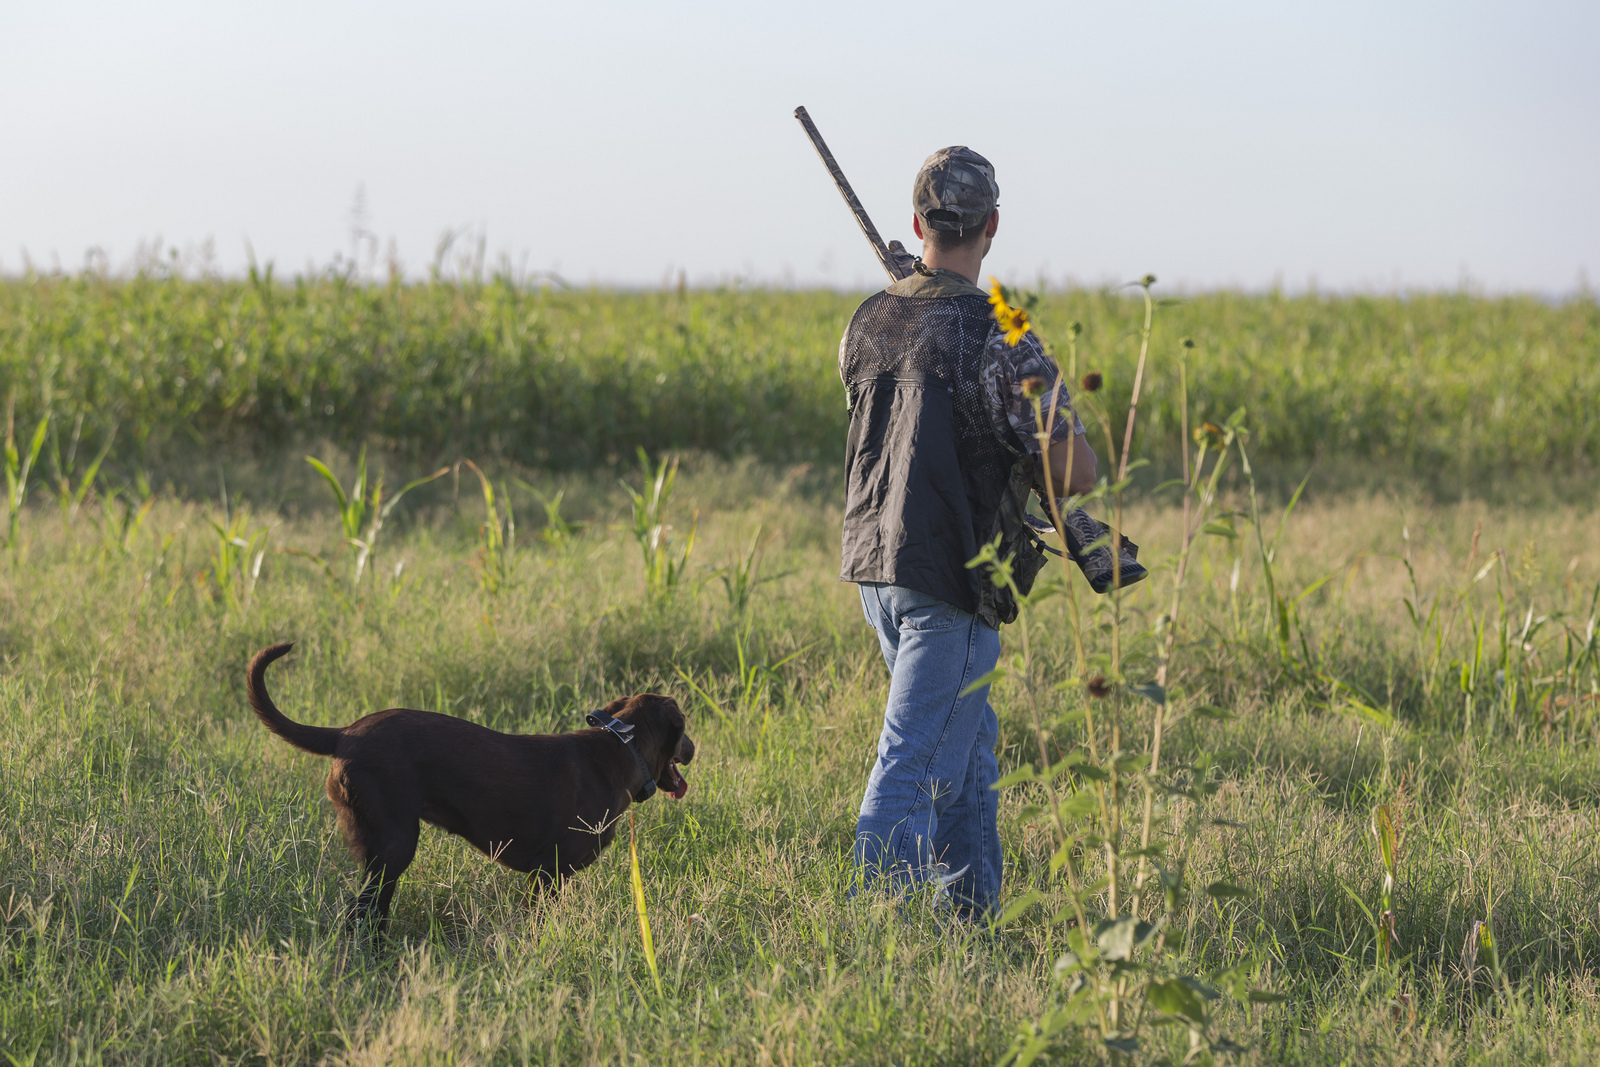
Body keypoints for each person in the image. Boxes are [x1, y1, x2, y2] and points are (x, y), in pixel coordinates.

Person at [838, 146, 1123, 917]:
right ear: (992, 225)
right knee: (914, 764)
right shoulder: (1004, 328)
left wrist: (911, 291)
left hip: (876, 570)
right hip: (952, 581)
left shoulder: (869, 318)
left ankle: (969, 923)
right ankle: (882, 938)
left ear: (916, 222)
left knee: (962, 751)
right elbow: (1074, 475)